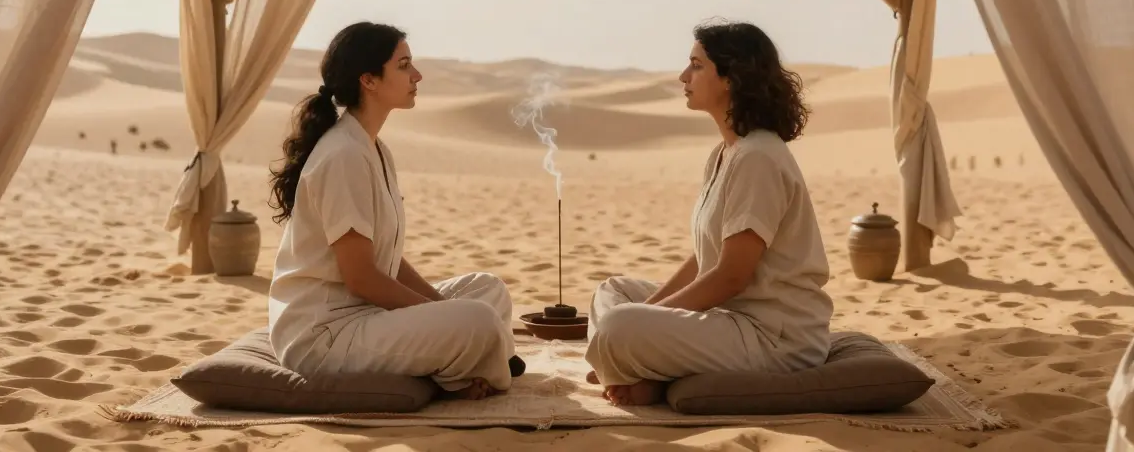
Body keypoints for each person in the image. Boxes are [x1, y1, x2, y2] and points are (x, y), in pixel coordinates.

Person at [267, 21, 521, 400]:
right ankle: (468, 370)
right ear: (368, 80)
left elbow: (388, 260)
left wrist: (443, 308)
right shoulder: (343, 157)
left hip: (369, 315)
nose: (417, 75)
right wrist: (444, 317)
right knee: (478, 320)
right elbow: (363, 278)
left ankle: (472, 363)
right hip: (325, 336)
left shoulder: (373, 149)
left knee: (486, 290)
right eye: (403, 66)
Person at [584, 20, 833, 405]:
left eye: (697, 65)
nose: (684, 76)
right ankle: (638, 368)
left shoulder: (758, 158)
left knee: (620, 326)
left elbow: (731, 276)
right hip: (727, 319)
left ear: (731, 77)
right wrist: (648, 313)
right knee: (615, 292)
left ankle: (644, 372)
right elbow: (705, 260)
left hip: (773, 337)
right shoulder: (725, 153)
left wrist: (644, 323)